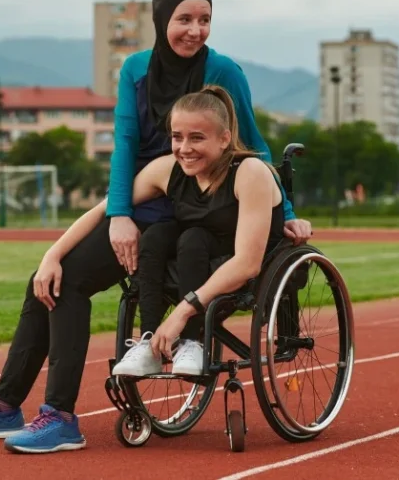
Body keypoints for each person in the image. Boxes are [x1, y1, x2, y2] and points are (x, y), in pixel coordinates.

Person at [0, 0, 312, 454]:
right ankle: (9, 407)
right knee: (53, 278)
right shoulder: (135, 70)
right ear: (161, 21)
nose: (195, 30)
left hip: (202, 209)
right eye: (184, 19)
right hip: (149, 195)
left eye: (205, 20)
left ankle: (58, 414)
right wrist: (116, 216)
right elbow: (125, 148)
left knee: (139, 255)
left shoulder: (225, 73)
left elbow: (253, 149)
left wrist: (288, 212)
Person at [111, 85, 290, 377]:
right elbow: (106, 206)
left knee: (192, 239)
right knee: (159, 235)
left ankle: (192, 341)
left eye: (197, 138)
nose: (184, 147)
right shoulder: (168, 168)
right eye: (177, 137)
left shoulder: (251, 172)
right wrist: (52, 256)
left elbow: (248, 263)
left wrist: (182, 312)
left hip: (240, 266)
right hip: (195, 254)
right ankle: (147, 341)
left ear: (224, 139)